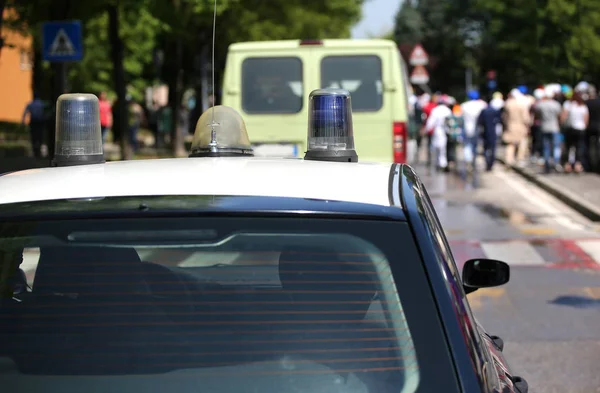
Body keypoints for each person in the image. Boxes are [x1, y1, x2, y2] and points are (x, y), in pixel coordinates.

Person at [534, 87, 563, 173]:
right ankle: (556, 163)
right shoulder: (556, 104)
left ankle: (547, 164)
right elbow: (560, 116)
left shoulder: (541, 105)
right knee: (556, 147)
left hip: (544, 127)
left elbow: (537, 116)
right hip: (554, 128)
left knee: (546, 147)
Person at [560, 91, 588, 173]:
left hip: (570, 128)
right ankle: (577, 165)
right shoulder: (583, 106)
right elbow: (586, 119)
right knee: (579, 147)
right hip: (580, 129)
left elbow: (563, 117)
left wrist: (561, 125)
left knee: (568, 147)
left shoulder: (568, 104)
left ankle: (567, 165)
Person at [502, 89, 531, 166]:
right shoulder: (522, 104)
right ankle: (520, 159)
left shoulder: (507, 103)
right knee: (522, 143)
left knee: (510, 144)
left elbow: (504, 117)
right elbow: (526, 117)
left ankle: (509, 160)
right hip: (521, 126)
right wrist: (528, 125)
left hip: (510, 125)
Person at [460, 90, 487, 169]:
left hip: (466, 127)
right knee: (475, 145)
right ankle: (474, 160)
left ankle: (468, 160)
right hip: (478, 128)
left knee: (467, 145)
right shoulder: (482, 105)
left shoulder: (464, 105)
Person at [425, 95, 452, 172]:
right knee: (443, 148)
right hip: (445, 131)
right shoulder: (447, 110)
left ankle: (439, 163)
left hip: (437, 131)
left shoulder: (435, 110)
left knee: (437, 148)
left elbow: (430, 122)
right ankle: (442, 163)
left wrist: (427, 130)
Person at [477, 99, 502, 171]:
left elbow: (479, 122)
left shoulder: (484, 111)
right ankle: (491, 163)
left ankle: (487, 162)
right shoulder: (495, 111)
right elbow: (499, 121)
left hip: (485, 132)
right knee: (493, 149)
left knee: (485, 148)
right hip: (493, 132)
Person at [21, 93, 47, 158]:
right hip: (41, 122)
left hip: (33, 122)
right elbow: (46, 112)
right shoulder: (42, 104)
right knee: (40, 135)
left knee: (33, 136)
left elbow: (24, 113)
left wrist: (23, 122)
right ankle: (39, 150)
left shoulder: (30, 104)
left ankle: (35, 150)